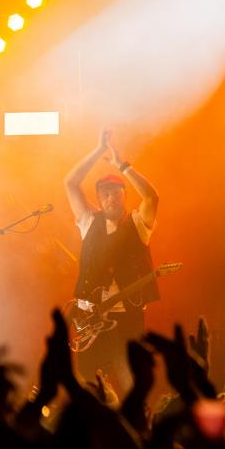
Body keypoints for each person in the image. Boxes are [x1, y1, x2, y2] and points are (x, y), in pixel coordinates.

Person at [63, 128, 160, 388]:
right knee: (86, 382)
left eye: (116, 192)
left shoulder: (138, 223)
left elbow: (152, 197)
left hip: (126, 316)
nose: (110, 197)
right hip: (89, 316)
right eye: (104, 193)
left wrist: (123, 165)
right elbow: (70, 183)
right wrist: (97, 151)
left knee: (132, 380)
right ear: (98, 198)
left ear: (125, 195)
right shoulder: (88, 221)